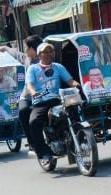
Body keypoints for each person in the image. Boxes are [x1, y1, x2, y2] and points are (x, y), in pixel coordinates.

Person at [26, 41, 80, 169]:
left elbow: (69, 80)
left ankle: (80, 137)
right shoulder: (33, 69)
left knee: (75, 111)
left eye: (51, 51)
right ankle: (43, 153)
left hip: (57, 100)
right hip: (40, 102)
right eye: (46, 52)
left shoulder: (58, 67)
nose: (49, 54)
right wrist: (33, 92)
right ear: (39, 55)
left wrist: (76, 85)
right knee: (34, 122)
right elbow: (30, 85)